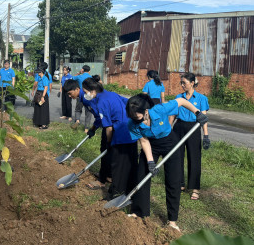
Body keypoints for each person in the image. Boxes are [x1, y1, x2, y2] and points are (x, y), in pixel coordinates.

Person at [126, 93, 209, 231]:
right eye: (132, 117)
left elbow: (181, 101)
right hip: (151, 145)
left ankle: (172, 221)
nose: (134, 120)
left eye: (137, 117)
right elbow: (144, 141)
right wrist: (151, 162)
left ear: (146, 111)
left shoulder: (159, 109)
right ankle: (139, 212)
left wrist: (197, 112)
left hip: (170, 142)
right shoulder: (132, 124)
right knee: (142, 176)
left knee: (173, 181)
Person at [79, 77, 137, 198]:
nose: (85, 95)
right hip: (131, 129)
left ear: (93, 90)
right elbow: (128, 102)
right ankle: (125, 186)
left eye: (85, 92)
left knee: (118, 162)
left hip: (120, 131)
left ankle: (115, 191)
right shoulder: (111, 93)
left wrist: (109, 143)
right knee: (129, 161)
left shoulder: (101, 102)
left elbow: (108, 127)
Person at [172, 72, 210, 200]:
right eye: (181, 83)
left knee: (194, 158)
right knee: (177, 156)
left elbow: (203, 118)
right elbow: (173, 114)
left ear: (192, 83)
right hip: (179, 127)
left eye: (184, 83)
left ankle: (195, 188)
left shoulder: (201, 99)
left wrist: (205, 135)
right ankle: (180, 183)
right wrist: (167, 130)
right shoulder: (179, 97)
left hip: (193, 128)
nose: (182, 85)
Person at [72, 65, 93, 132]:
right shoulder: (91, 78)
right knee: (88, 112)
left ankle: (77, 120)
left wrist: (79, 73)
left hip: (80, 95)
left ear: (82, 70)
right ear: (89, 71)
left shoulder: (79, 76)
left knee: (78, 109)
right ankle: (86, 128)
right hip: (88, 96)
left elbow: (72, 78)